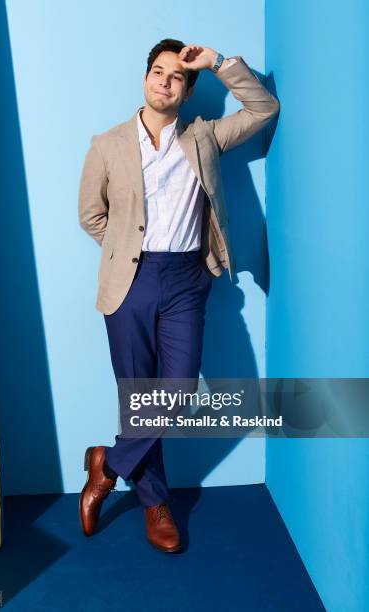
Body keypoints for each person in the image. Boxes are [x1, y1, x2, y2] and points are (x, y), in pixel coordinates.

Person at [78, 38, 279, 553]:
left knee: (178, 390)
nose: (164, 81)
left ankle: (110, 463)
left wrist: (215, 63)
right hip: (131, 279)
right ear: (145, 77)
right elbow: (91, 215)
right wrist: (126, 251)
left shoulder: (205, 137)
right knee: (139, 398)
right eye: (157, 72)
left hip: (189, 278)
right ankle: (155, 502)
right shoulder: (107, 143)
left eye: (175, 77)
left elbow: (263, 108)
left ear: (187, 92)